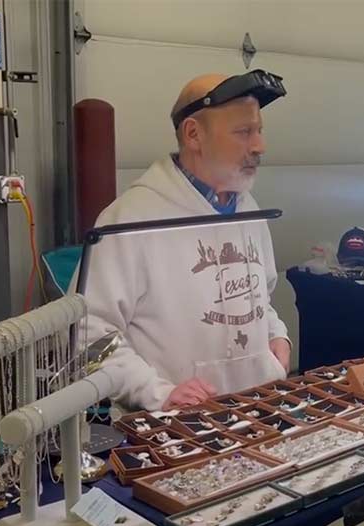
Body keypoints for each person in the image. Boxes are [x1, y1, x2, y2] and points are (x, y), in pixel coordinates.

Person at [77, 70, 291, 411]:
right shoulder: (132, 219)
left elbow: (258, 296)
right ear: (193, 134)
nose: (259, 146)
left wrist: (275, 333)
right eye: (244, 132)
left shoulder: (248, 208)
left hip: (256, 414)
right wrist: (156, 392)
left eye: (260, 130)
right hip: (172, 433)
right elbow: (88, 332)